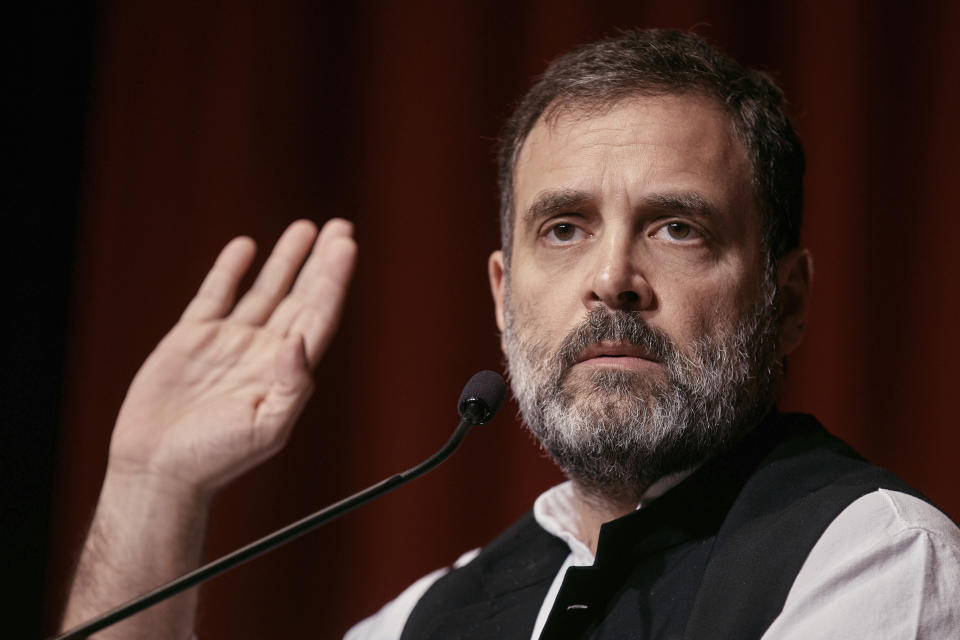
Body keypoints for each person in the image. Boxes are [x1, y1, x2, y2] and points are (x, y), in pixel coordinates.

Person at [60, 29, 959, 640]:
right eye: (563, 228)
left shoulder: (872, 558)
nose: (611, 277)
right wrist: (154, 488)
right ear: (502, 295)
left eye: (677, 227)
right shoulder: (436, 616)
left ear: (788, 300)